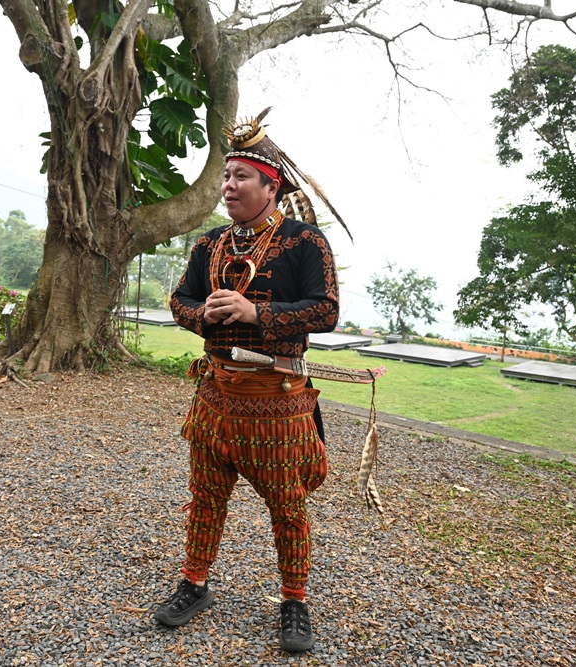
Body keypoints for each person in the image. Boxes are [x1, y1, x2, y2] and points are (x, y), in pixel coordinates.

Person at [154, 108, 342, 653]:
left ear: (271, 186)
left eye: (240, 178)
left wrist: (255, 312)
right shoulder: (209, 244)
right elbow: (179, 301)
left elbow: (326, 310)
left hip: (278, 401)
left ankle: (294, 601)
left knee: (287, 506)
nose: (228, 186)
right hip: (215, 396)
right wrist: (204, 316)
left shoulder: (306, 242)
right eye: (226, 177)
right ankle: (194, 584)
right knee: (206, 496)